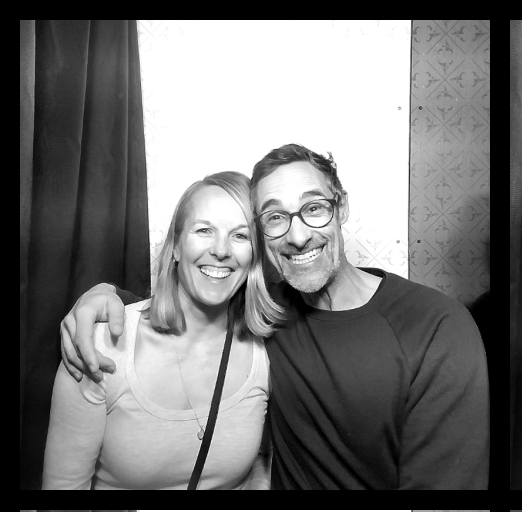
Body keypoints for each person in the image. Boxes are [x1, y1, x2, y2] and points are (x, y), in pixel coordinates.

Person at [59, 144, 490, 490]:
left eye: (314, 208)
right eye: (276, 217)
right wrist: (105, 298)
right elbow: (190, 302)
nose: (298, 236)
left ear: (341, 207)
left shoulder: (436, 328)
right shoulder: (268, 313)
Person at [43, 172, 276, 489]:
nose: (221, 250)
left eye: (240, 235)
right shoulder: (100, 346)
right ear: (176, 247)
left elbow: (265, 455)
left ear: (254, 256)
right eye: (204, 230)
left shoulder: (268, 351)